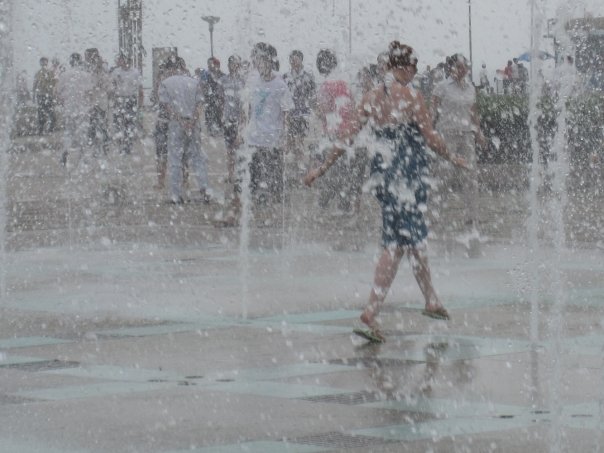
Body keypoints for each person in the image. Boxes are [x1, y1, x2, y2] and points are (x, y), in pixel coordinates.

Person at [304, 41, 468, 342]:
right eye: (414, 67)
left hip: (383, 176)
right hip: (408, 176)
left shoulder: (369, 98)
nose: (415, 73)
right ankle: (372, 310)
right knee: (399, 244)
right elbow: (430, 137)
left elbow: (345, 138)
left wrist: (321, 169)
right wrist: (452, 157)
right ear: (403, 67)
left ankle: (430, 300)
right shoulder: (413, 97)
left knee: (408, 240)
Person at [431, 53, 486, 257]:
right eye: (460, 66)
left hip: (466, 137)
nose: (463, 70)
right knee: (443, 177)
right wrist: (430, 130)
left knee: (470, 178)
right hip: (447, 136)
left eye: (465, 67)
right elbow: (433, 110)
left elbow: (473, 112)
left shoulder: (471, 87)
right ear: (451, 68)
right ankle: (436, 217)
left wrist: (479, 132)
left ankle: (472, 220)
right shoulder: (442, 87)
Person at [158, 57, 212, 204]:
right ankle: (205, 189)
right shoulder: (194, 82)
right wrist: (192, 121)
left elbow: (167, 107)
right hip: (193, 123)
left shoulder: (166, 83)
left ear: (170, 68)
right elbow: (200, 104)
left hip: (176, 124)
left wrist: (181, 121)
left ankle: (176, 195)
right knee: (197, 157)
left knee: (175, 159)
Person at [246, 43, 293, 207]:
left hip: (273, 138)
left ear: (269, 62)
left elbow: (287, 112)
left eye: (262, 61)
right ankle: (255, 203)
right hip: (254, 137)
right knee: (253, 173)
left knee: (275, 174)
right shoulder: (254, 82)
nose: (259, 65)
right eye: (257, 61)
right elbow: (249, 108)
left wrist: (286, 138)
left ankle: (276, 203)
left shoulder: (280, 85)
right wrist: (243, 130)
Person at [313, 48, 357, 212]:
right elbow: (351, 107)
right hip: (347, 133)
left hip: (333, 133)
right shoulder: (344, 83)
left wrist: (318, 112)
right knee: (344, 170)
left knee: (332, 171)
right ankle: (343, 205)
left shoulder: (326, 86)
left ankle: (324, 203)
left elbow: (324, 110)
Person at [219, 54, 246, 224]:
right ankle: (231, 173)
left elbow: (245, 102)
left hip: (239, 120)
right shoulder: (224, 80)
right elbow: (221, 98)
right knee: (229, 148)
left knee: (240, 148)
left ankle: (240, 172)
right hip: (228, 119)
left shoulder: (242, 81)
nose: (232, 66)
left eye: (235, 63)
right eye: (230, 64)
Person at [56, 53, 95, 166]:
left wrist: (63, 102)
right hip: (83, 108)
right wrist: (91, 106)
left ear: (70, 62)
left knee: (68, 132)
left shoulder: (64, 75)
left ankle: (65, 151)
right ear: (80, 61)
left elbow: (58, 92)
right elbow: (89, 93)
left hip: (69, 108)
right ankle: (83, 156)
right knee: (83, 132)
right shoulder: (86, 75)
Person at [282, 50, 316, 170]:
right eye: (291, 59)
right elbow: (282, 95)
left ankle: (300, 168)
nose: (293, 62)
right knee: (289, 143)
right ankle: (290, 169)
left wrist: (312, 111)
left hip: (303, 113)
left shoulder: (308, 76)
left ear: (301, 60)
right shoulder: (285, 77)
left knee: (300, 142)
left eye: (296, 59)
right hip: (290, 114)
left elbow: (313, 95)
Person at [111, 54, 143, 154]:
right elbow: (113, 85)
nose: (121, 62)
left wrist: (140, 103)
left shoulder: (135, 72)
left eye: (122, 60)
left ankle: (128, 144)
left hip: (130, 99)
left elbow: (139, 88)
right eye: (120, 60)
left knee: (129, 123)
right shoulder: (116, 72)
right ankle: (121, 144)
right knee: (119, 123)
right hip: (119, 99)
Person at [199, 57, 225, 137]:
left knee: (219, 117)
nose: (210, 66)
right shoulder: (205, 75)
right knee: (209, 116)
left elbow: (225, 89)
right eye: (209, 64)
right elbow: (202, 86)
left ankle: (219, 130)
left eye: (212, 64)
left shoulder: (222, 76)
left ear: (218, 65)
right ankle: (211, 131)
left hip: (220, 101)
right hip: (209, 100)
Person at [32, 57, 57, 135]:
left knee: (50, 113)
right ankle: (42, 130)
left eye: (45, 62)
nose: (43, 63)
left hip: (47, 95)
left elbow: (54, 84)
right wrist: (33, 96)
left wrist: (54, 94)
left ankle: (49, 129)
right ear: (40, 63)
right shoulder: (38, 73)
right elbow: (35, 85)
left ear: (47, 63)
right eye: (42, 62)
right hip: (41, 95)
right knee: (41, 113)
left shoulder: (50, 72)